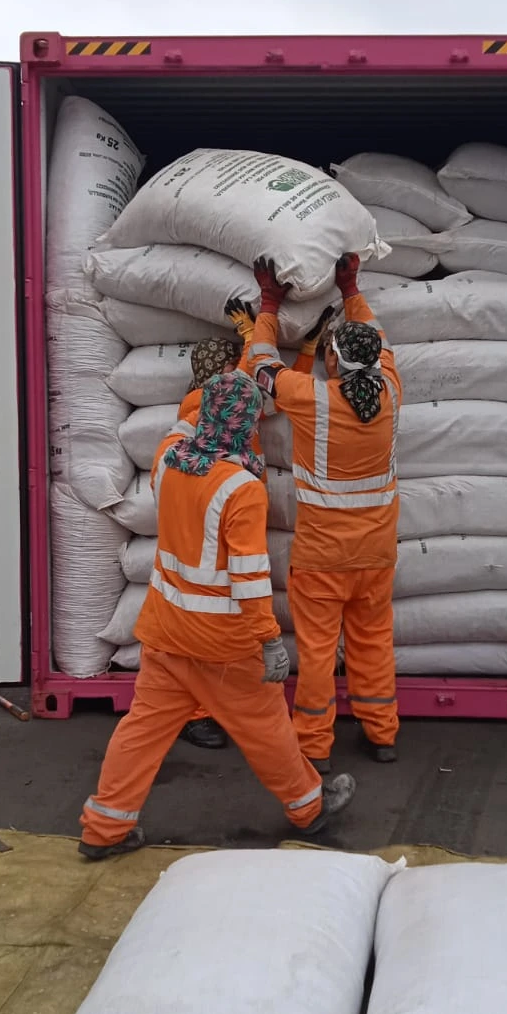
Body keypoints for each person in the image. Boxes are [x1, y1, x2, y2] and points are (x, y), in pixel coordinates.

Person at [78, 368, 358, 860]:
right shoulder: (241, 488)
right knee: (267, 729)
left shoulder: (167, 460)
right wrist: (270, 639)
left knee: (141, 732)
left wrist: (221, 381)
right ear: (248, 425)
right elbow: (249, 576)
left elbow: (187, 418)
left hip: (165, 633)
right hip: (224, 644)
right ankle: (310, 809)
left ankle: (104, 828)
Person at [235, 253, 401, 774]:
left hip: (322, 557)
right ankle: (382, 733)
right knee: (374, 643)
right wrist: (351, 289)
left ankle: (315, 745)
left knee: (317, 652)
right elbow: (376, 334)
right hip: (375, 555)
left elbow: (262, 363)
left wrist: (267, 306)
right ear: (374, 361)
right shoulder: (392, 389)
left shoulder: (311, 397)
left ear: (334, 358)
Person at [177, 319, 330, 752]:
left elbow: (274, 396)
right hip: (216, 519)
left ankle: (232, 711)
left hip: (239, 510)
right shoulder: (198, 404)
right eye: (230, 368)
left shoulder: (230, 400)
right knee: (210, 619)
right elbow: (251, 383)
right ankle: (198, 715)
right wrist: (253, 334)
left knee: (231, 619)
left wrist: (305, 350)